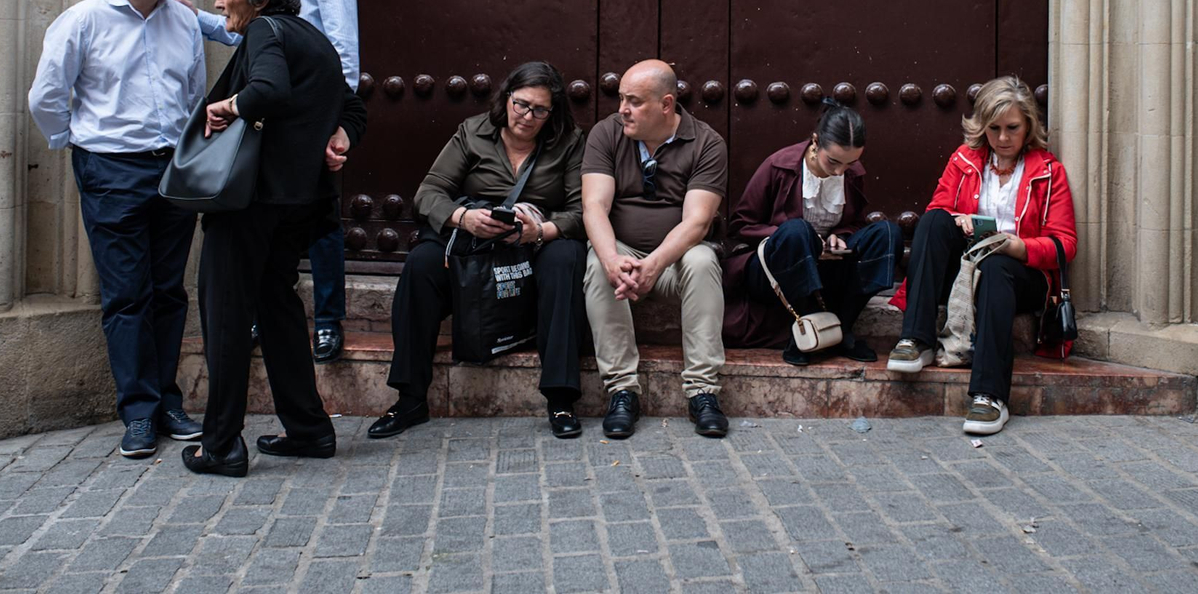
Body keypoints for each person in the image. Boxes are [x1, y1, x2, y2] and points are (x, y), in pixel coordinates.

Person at [183, 0, 367, 477]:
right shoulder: (313, 38)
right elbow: (352, 106)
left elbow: (267, 89)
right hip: (300, 205)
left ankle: (220, 445)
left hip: (251, 203)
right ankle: (309, 430)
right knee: (277, 308)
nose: (219, 1)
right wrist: (342, 135)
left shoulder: (266, 30)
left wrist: (227, 104)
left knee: (224, 314)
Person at [27, 0, 206, 459]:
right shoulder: (83, 21)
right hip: (112, 171)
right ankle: (137, 412)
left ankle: (168, 402)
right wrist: (79, 146)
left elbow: (193, 94)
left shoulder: (186, 23)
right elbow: (47, 95)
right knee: (128, 295)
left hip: (174, 170)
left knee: (169, 290)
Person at [370, 62, 588, 440]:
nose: (527, 116)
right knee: (421, 264)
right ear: (506, 98)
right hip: (475, 235)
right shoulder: (473, 132)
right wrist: (463, 218)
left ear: (553, 112)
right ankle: (410, 398)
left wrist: (539, 232)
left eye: (540, 109)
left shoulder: (569, 142)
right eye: (521, 104)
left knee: (565, 260)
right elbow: (428, 194)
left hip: (535, 238)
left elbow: (581, 210)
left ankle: (561, 397)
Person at [193, 0, 358, 364]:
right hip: (276, 111)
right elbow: (246, 30)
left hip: (306, 108)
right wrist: (187, 13)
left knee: (316, 212)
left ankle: (328, 318)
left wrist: (338, 120)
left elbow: (340, 47)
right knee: (280, 220)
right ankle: (264, 312)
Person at [886, 76, 1077, 436]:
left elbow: (1064, 244)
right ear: (982, 127)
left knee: (998, 264)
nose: (1003, 138)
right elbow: (940, 207)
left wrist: (1019, 246)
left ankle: (990, 396)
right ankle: (916, 340)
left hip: (1019, 275)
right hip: (966, 270)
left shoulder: (1049, 172)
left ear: (1029, 126)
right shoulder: (965, 160)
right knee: (933, 221)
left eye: (1012, 128)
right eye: (994, 129)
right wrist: (959, 221)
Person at [582, 60, 730, 439]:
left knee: (702, 259)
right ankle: (621, 391)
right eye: (621, 99)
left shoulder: (707, 143)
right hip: (623, 257)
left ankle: (702, 392)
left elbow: (697, 222)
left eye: (634, 101)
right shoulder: (606, 134)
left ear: (666, 104)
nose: (622, 110)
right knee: (598, 261)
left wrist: (654, 264)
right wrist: (614, 259)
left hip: (672, 263)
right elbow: (594, 206)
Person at [723, 104, 900, 364]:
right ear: (816, 141)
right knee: (797, 230)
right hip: (777, 267)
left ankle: (842, 328)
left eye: (850, 162)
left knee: (887, 232)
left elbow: (856, 223)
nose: (841, 171)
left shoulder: (851, 173)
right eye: (834, 161)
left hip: (826, 269)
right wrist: (801, 239)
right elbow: (741, 224)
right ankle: (806, 328)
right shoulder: (778, 165)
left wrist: (839, 235)